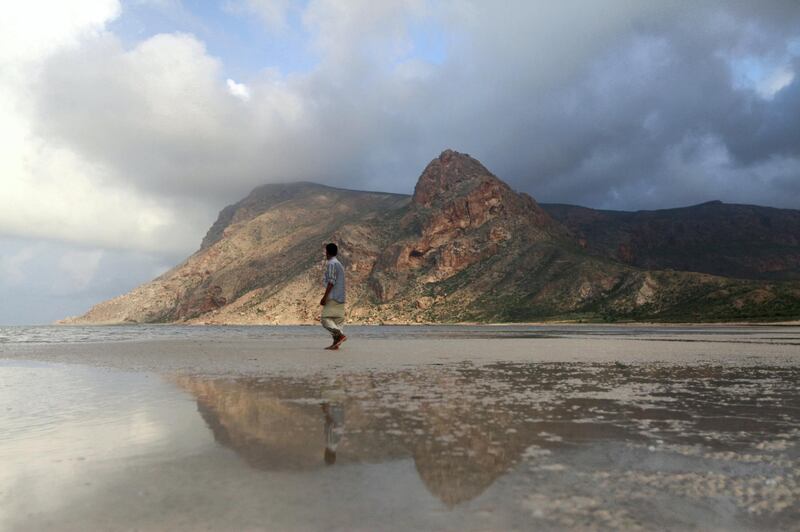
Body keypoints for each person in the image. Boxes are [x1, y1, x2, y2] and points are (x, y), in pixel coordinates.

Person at [320, 242, 347, 350]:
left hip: (333, 296)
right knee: (337, 321)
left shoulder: (331, 263)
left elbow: (331, 282)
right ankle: (336, 344)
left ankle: (340, 336)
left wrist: (324, 297)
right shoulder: (339, 264)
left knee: (325, 319)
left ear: (327, 252)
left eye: (326, 251)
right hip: (341, 297)